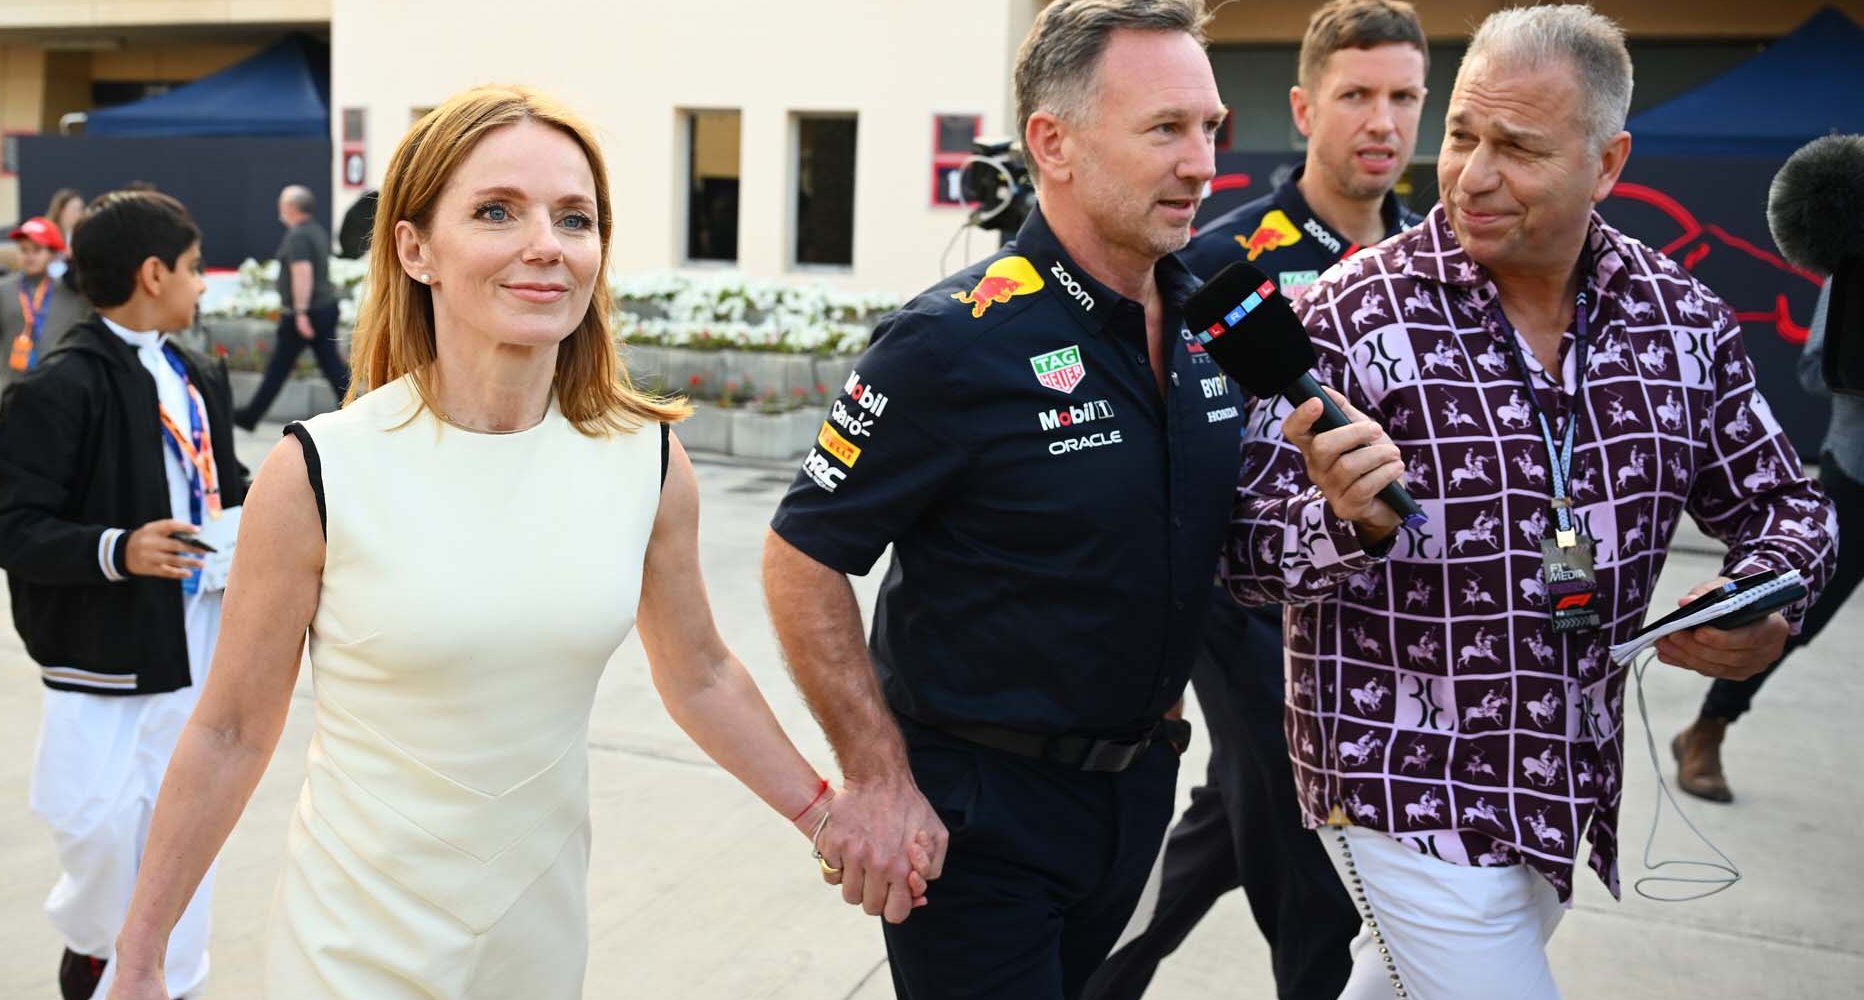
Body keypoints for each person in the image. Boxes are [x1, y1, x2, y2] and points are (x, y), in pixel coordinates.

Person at [105, 85, 891, 1000]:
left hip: (537, 946)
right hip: (351, 953)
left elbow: (702, 675)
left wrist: (827, 816)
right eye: (495, 212)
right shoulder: (319, 472)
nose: (546, 245)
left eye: (575, 217)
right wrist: (141, 954)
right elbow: (233, 730)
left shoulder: (646, 462)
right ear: (414, 248)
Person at [761, 3, 1405, 998]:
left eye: (1209, 129)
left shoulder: (1213, 325)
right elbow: (803, 554)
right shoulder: (951, 340)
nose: (1202, 164)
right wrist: (877, 777)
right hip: (978, 816)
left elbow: (1225, 551)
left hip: (1140, 790)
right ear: (1052, 143)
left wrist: (1344, 515)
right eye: (1164, 130)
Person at [1224, 7, 1838, 998]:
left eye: (1517, 148)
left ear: (1607, 162)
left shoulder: (1679, 322)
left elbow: (1789, 510)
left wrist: (1764, 604)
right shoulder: (1345, 313)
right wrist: (1349, 518)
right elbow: (1244, 550)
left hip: (1564, 768)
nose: (1470, 174)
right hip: (1393, 770)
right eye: (1462, 133)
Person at [1085, 3, 1427, 997]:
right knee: (1320, 876)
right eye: (1356, 95)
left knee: (1231, 828)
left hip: (1379, 614)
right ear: (1303, 108)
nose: (1382, 121)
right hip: (1253, 620)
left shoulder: (1430, 260)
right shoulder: (1223, 261)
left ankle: (1098, 974)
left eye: (1404, 96)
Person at [0, 190, 246, 1000]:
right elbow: (10, 528)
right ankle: (96, 950)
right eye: (195, 270)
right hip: (105, 661)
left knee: (187, 832)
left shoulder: (196, 374)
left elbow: (218, 484)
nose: (204, 287)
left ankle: (173, 979)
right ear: (153, 273)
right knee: (92, 828)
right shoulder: (63, 385)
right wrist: (116, 550)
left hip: (200, 640)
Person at [1673, 274, 1864, 800]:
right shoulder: (1855, 254)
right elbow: (1815, 367)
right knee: (1793, 614)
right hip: (1859, 473)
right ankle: (1708, 729)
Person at [233, 184, 351, 430]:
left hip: (308, 313)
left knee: (284, 368)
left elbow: (302, 272)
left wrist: (300, 313)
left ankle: (250, 416)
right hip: (322, 309)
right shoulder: (316, 232)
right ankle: (355, 410)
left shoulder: (298, 236)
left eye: (282, 204)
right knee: (329, 367)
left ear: (292, 207)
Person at [0, 216, 89, 410]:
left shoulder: (71, 293)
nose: (29, 256)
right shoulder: (2, 290)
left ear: (53, 254)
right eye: (23, 250)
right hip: (13, 391)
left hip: (61, 393)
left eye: (37, 250)